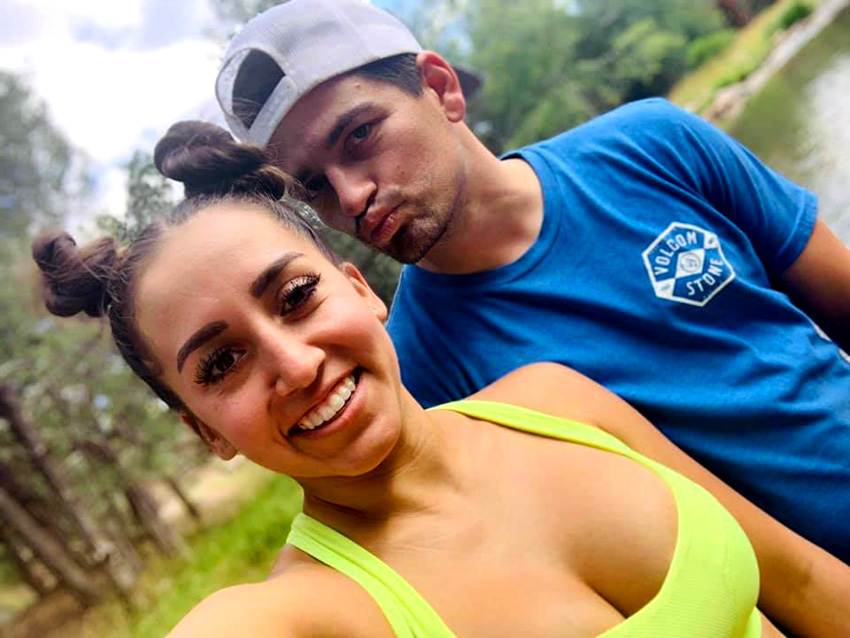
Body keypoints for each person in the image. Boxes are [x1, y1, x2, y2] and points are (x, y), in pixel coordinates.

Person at [33, 123, 850, 636]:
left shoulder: (556, 400)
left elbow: (805, 581)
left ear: (361, 290)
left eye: (296, 296)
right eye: (220, 364)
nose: (296, 364)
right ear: (206, 431)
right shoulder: (299, 617)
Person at [213, 0, 850, 562]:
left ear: (441, 88)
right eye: (315, 186)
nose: (351, 197)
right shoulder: (419, 380)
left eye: (359, 135)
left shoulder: (655, 145)